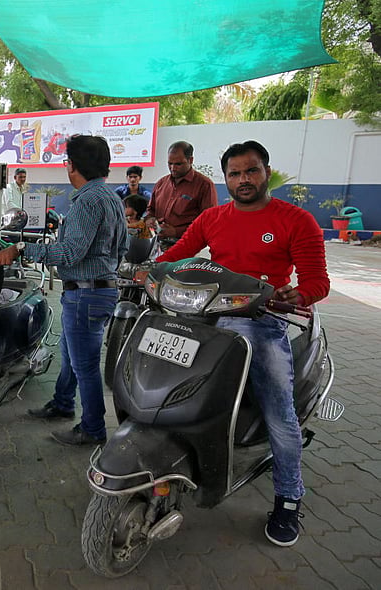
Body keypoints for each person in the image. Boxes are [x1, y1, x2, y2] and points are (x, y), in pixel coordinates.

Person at [157, 140, 329, 547]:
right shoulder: (213, 218)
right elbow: (180, 255)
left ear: (266, 171)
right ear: (225, 179)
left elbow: (317, 280)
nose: (243, 180)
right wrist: (148, 269)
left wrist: (297, 294)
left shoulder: (296, 220)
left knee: (279, 414)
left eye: (251, 171)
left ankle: (289, 498)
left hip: (263, 321)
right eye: (234, 174)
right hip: (208, 316)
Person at [0, 135, 128, 445]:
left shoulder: (87, 201)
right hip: (100, 291)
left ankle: (93, 428)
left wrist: (22, 249)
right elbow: (122, 247)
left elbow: (69, 253)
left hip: (85, 294)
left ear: (72, 166)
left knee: (85, 365)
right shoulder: (112, 199)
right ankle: (63, 403)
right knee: (70, 353)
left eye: (67, 162)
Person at [145, 141, 216, 244]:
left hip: (187, 245)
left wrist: (176, 232)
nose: (173, 168)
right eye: (170, 163)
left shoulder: (204, 185)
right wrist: (150, 220)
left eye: (178, 164)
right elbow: (151, 210)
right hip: (157, 243)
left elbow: (208, 223)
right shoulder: (161, 183)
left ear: (190, 160)